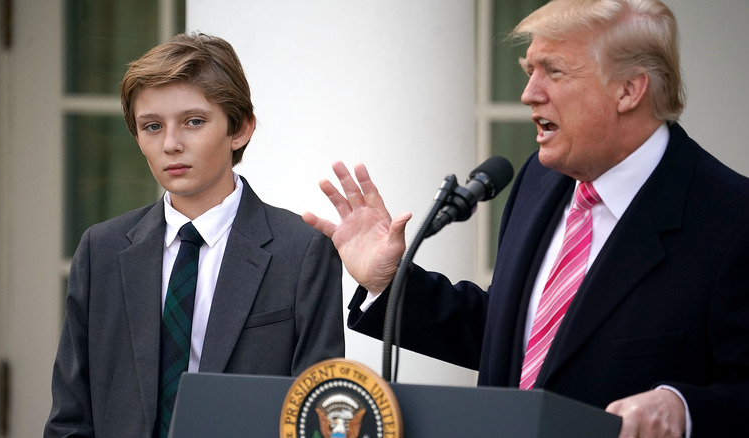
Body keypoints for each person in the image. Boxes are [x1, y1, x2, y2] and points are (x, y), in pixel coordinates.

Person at [303, 0, 749, 436]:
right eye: (527, 70)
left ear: (629, 90)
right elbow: (512, 335)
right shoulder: (539, 179)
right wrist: (390, 281)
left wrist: (684, 408)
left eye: (553, 71)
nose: (528, 94)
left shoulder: (732, 220)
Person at [45, 33, 345, 437]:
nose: (171, 144)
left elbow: (317, 419)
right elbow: (70, 416)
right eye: (152, 126)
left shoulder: (303, 250)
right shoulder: (101, 250)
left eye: (194, 121)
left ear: (239, 129)